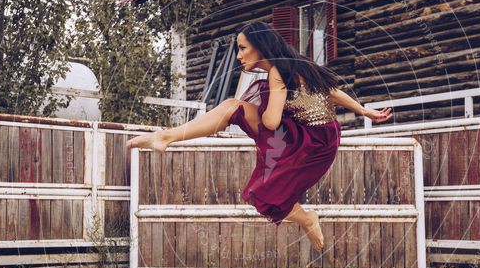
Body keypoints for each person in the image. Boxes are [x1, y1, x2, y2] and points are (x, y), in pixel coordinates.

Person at [126, 21, 392, 250]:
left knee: (264, 193)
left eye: (242, 48)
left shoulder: (278, 73)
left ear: (260, 46)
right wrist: (363, 111)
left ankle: (307, 218)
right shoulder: (292, 66)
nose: (239, 56)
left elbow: (272, 120)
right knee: (233, 106)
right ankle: (166, 137)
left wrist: (270, 101)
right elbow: (331, 91)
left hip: (312, 143)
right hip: (316, 135)